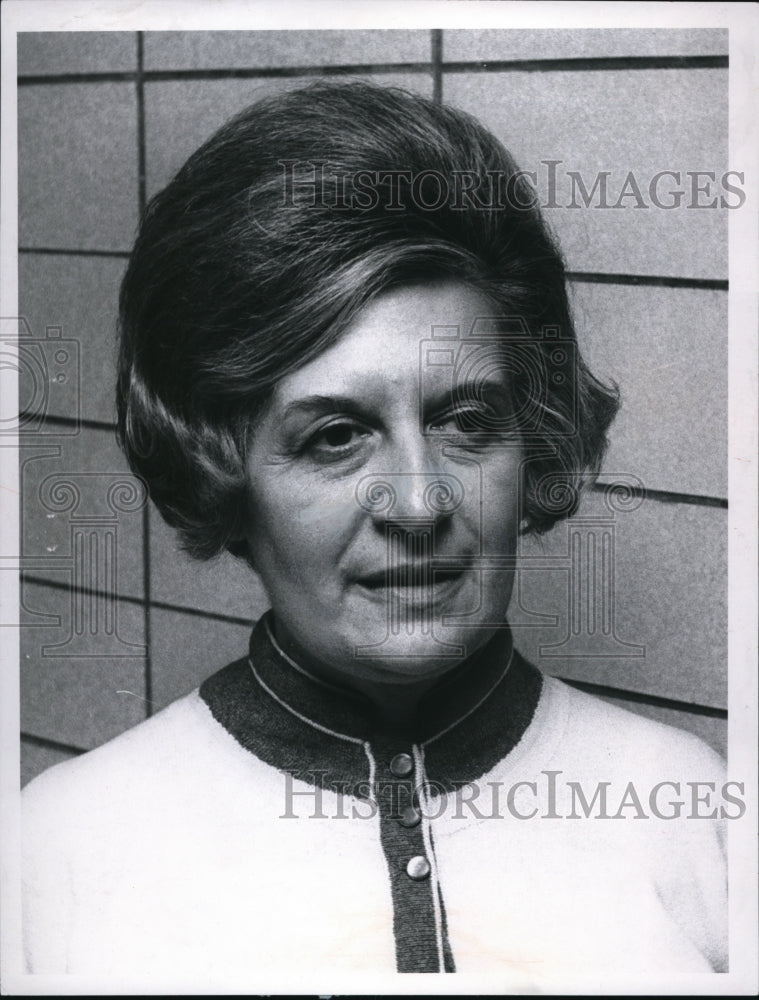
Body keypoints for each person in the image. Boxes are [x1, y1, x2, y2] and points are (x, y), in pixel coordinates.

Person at [22, 81, 727, 979]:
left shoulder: (692, 811)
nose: (420, 503)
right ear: (223, 469)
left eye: (466, 421)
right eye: (335, 436)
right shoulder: (60, 852)